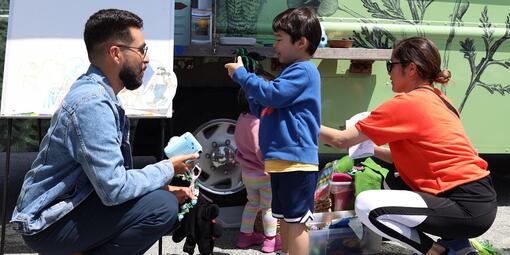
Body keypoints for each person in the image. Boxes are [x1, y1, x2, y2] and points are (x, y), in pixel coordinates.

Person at [10, 9, 198, 255]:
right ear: (115, 53)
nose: (147, 59)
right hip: (49, 224)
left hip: (69, 209)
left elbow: (106, 181)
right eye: (142, 50)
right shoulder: (93, 104)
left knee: (161, 198)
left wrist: (163, 186)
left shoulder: (97, 94)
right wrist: (167, 169)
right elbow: (114, 189)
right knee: (161, 207)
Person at [320, 37, 497, 255]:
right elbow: (412, 159)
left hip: (464, 206)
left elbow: (340, 140)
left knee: (368, 205)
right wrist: (371, 150)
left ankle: (438, 251)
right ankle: (459, 246)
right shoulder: (440, 98)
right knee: (393, 178)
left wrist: (298, 118)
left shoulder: (407, 103)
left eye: (391, 65)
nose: (389, 73)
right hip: (479, 199)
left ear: (411, 68)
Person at [225, 6, 322, 255]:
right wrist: (250, 85)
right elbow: (265, 106)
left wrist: (245, 77)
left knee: (298, 223)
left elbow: (274, 95)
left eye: (279, 39)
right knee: (287, 221)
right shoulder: (290, 72)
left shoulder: (304, 70)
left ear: (300, 42)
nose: (274, 45)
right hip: (281, 162)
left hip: (297, 162)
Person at [234, 89, 281, 253]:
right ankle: (270, 241)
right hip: (263, 173)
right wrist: (271, 165)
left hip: (247, 172)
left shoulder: (242, 118)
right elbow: (260, 149)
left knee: (252, 203)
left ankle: (245, 236)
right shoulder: (258, 122)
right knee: (268, 207)